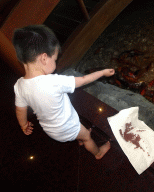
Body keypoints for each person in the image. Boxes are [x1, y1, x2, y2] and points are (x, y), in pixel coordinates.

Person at [13, 25, 114, 160]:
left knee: (78, 134)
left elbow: (20, 110)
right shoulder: (55, 82)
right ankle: (97, 153)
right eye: (54, 59)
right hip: (68, 126)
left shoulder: (19, 85)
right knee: (88, 137)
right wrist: (102, 72)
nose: (56, 62)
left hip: (51, 131)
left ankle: (78, 138)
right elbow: (84, 80)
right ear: (43, 58)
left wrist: (24, 125)